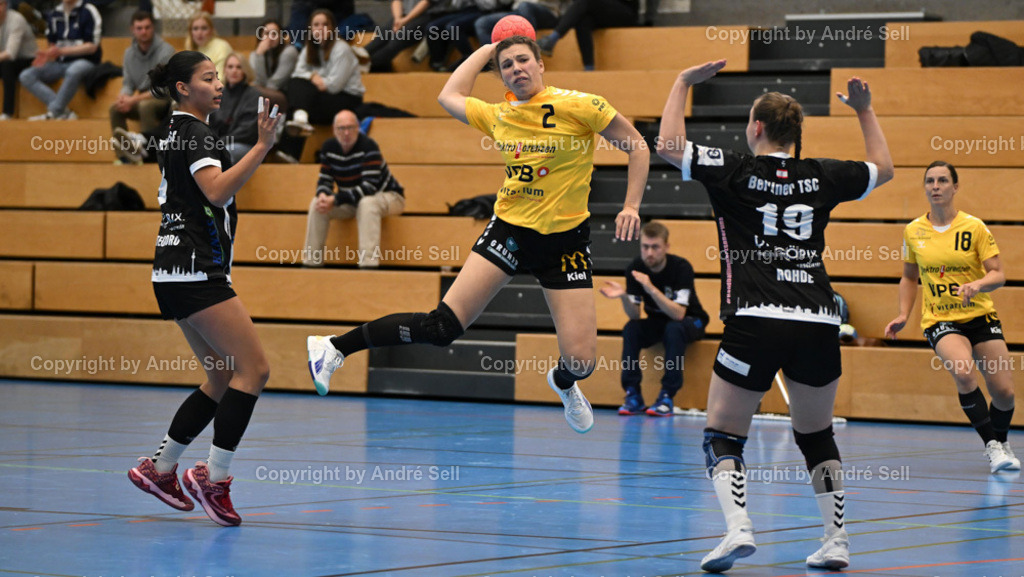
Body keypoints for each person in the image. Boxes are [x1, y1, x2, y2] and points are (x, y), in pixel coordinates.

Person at [306, 36, 649, 434]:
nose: (517, 68)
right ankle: (333, 347)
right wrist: (489, 49)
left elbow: (637, 146)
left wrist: (630, 206)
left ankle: (564, 382)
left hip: (565, 242)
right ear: (499, 74)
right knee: (441, 328)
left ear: (541, 65)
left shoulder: (583, 105)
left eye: (524, 60)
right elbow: (448, 94)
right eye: (507, 65)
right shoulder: (497, 114)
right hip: (510, 231)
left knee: (582, 362)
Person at [657, 60, 894, 572]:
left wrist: (681, 83)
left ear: (757, 127)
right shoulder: (822, 174)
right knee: (815, 434)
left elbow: (670, 146)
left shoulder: (735, 169)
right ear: (796, 134)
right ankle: (837, 540)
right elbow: (885, 168)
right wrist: (865, 110)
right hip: (817, 319)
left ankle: (739, 527)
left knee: (723, 433)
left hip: (755, 316)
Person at [127, 50, 280, 527]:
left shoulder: (170, 131)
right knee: (253, 370)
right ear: (181, 88)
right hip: (197, 271)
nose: (218, 86)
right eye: (208, 78)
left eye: (218, 78)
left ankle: (160, 467)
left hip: (169, 273)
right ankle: (214, 478)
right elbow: (216, 191)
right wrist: (261, 146)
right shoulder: (196, 132)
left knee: (219, 378)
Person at [885, 161, 1019, 474]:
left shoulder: (974, 227)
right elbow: (908, 276)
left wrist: (977, 284)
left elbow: (998, 274)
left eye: (943, 180)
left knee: (1004, 392)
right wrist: (904, 314)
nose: (935, 186)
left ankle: (1001, 441)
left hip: (980, 315)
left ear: (955, 187)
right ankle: (991, 447)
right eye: (930, 181)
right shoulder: (913, 231)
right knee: (964, 372)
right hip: (940, 319)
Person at [599, 221, 708, 416]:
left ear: (666, 247)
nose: (649, 253)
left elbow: (679, 314)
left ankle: (667, 395)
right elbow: (635, 314)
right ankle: (633, 394)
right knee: (631, 328)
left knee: (674, 328)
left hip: (691, 321)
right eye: (645, 247)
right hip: (660, 323)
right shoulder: (635, 268)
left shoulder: (681, 268)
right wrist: (624, 296)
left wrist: (650, 287)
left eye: (655, 247)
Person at [302, 109, 404, 268]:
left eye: (351, 127)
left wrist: (335, 199)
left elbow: (369, 187)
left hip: (389, 196)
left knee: (367, 203)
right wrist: (323, 194)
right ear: (334, 130)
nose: (346, 132)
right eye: (341, 128)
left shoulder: (369, 146)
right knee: (317, 204)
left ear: (358, 128)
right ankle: (310, 263)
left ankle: (368, 265)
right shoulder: (329, 147)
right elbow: (325, 179)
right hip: (354, 199)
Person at [278, 8, 365, 163]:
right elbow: (297, 74)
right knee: (295, 87)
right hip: (322, 96)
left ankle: (291, 150)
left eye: (325, 25)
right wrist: (313, 76)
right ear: (310, 29)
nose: (320, 29)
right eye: (316, 25)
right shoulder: (309, 48)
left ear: (332, 28)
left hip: (347, 99)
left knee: (298, 100)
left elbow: (333, 86)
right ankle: (299, 124)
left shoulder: (341, 49)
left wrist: (315, 80)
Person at [109, 10, 174, 164]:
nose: (143, 32)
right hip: (142, 97)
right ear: (132, 30)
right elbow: (128, 83)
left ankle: (150, 155)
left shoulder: (166, 51)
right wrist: (123, 98)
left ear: (153, 28)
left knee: (145, 106)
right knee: (115, 108)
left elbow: (164, 88)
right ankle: (124, 156)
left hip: (165, 98)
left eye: (147, 27)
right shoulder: (128, 54)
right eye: (139, 28)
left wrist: (133, 99)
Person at [18, 0, 101, 120]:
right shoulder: (55, 13)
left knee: (74, 71)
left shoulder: (88, 11)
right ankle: (63, 111)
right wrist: (47, 54)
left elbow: (92, 47)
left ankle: (53, 112)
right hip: (60, 63)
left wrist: (62, 51)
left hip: (86, 61)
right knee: (26, 75)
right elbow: (53, 45)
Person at [535, 0, 637, 70]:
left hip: (625, 11)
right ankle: (589, 68)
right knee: (583, 20)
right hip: (600, 10)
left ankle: (552, 39)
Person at [208, 53, 260, 164]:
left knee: (227, 152)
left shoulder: (254, 95)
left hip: (244, 144)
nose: (234, 70)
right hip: (220, 143)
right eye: (230, 67)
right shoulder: (218, 94)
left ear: (245, 71)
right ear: (225, 70)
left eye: (239, 67)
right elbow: (211, 125)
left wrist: (221, 142)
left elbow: (248, 131)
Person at [364, 0, 440, 72]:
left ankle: (368, 65)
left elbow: (426, 2)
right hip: (402, 15)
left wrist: (404, 21)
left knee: (396, 41)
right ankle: (358, 59)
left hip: (428, 16)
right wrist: (398, 19)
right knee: (381, 37)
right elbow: (397, 1)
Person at [250, 18, 298, 110]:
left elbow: (274, 85)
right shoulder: (255, 55)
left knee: (250, 92)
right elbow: (259, 81)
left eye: (274, 34)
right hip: (263, 94)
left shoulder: (289, 52)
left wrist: (259, 55)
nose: (270, 37)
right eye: (267, 33)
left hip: (284, 96)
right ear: (260, 36)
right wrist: (259, 55)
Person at [0, 0, 36, 120]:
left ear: (5, 5)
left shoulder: (16, 19)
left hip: (28, 60)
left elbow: (11, 53)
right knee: (5, 64)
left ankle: (7, 112)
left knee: (7, 65)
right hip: (5, 59)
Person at [474, 0, 563, 49]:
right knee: (481, 23)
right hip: (519, 11)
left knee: (525, 6)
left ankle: (531, 51)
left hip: (547, 11)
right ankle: (495, 61)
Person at [184, 12, 233, 79]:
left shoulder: (221, 47)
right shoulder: (191, 50)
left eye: (204, 28)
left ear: (211, 30)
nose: (199, 33)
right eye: (195, 28)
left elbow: (220, 79)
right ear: (190, 32)